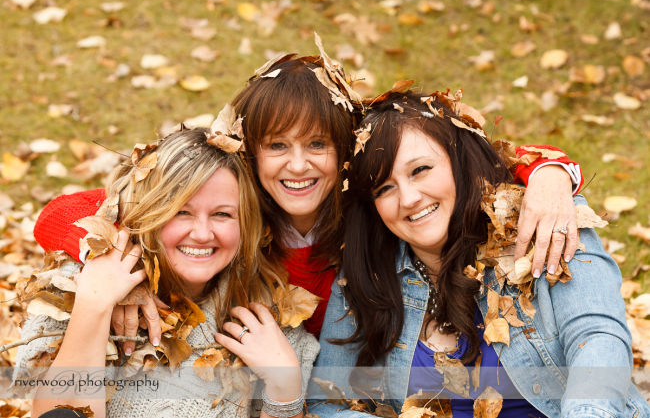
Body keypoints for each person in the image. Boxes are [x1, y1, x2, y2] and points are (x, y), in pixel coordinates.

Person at [33, 46, 583, 344]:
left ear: (348, 150)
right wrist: (111, 266)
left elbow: (478, 160)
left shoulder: (381, 199)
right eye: (277, 145)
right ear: (250, 150)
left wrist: (551, 172)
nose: (298, 166)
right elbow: (62, 213)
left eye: (318, 143)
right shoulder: (228, 208)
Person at [310, 91, 650, 417]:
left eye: (421, 170)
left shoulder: (547, 220)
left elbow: (597, 338)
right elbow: (327, 402)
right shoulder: (367, 271)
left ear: (458, 162)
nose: (409, 198)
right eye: (385, 188)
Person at [15, 128, 319, 418]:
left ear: (247, 226)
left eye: (222, 214)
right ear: (152, 213)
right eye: (180, 212)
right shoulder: (77, 285)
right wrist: (94, 305)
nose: (202, 234)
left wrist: (284, 391)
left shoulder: (271, 321)